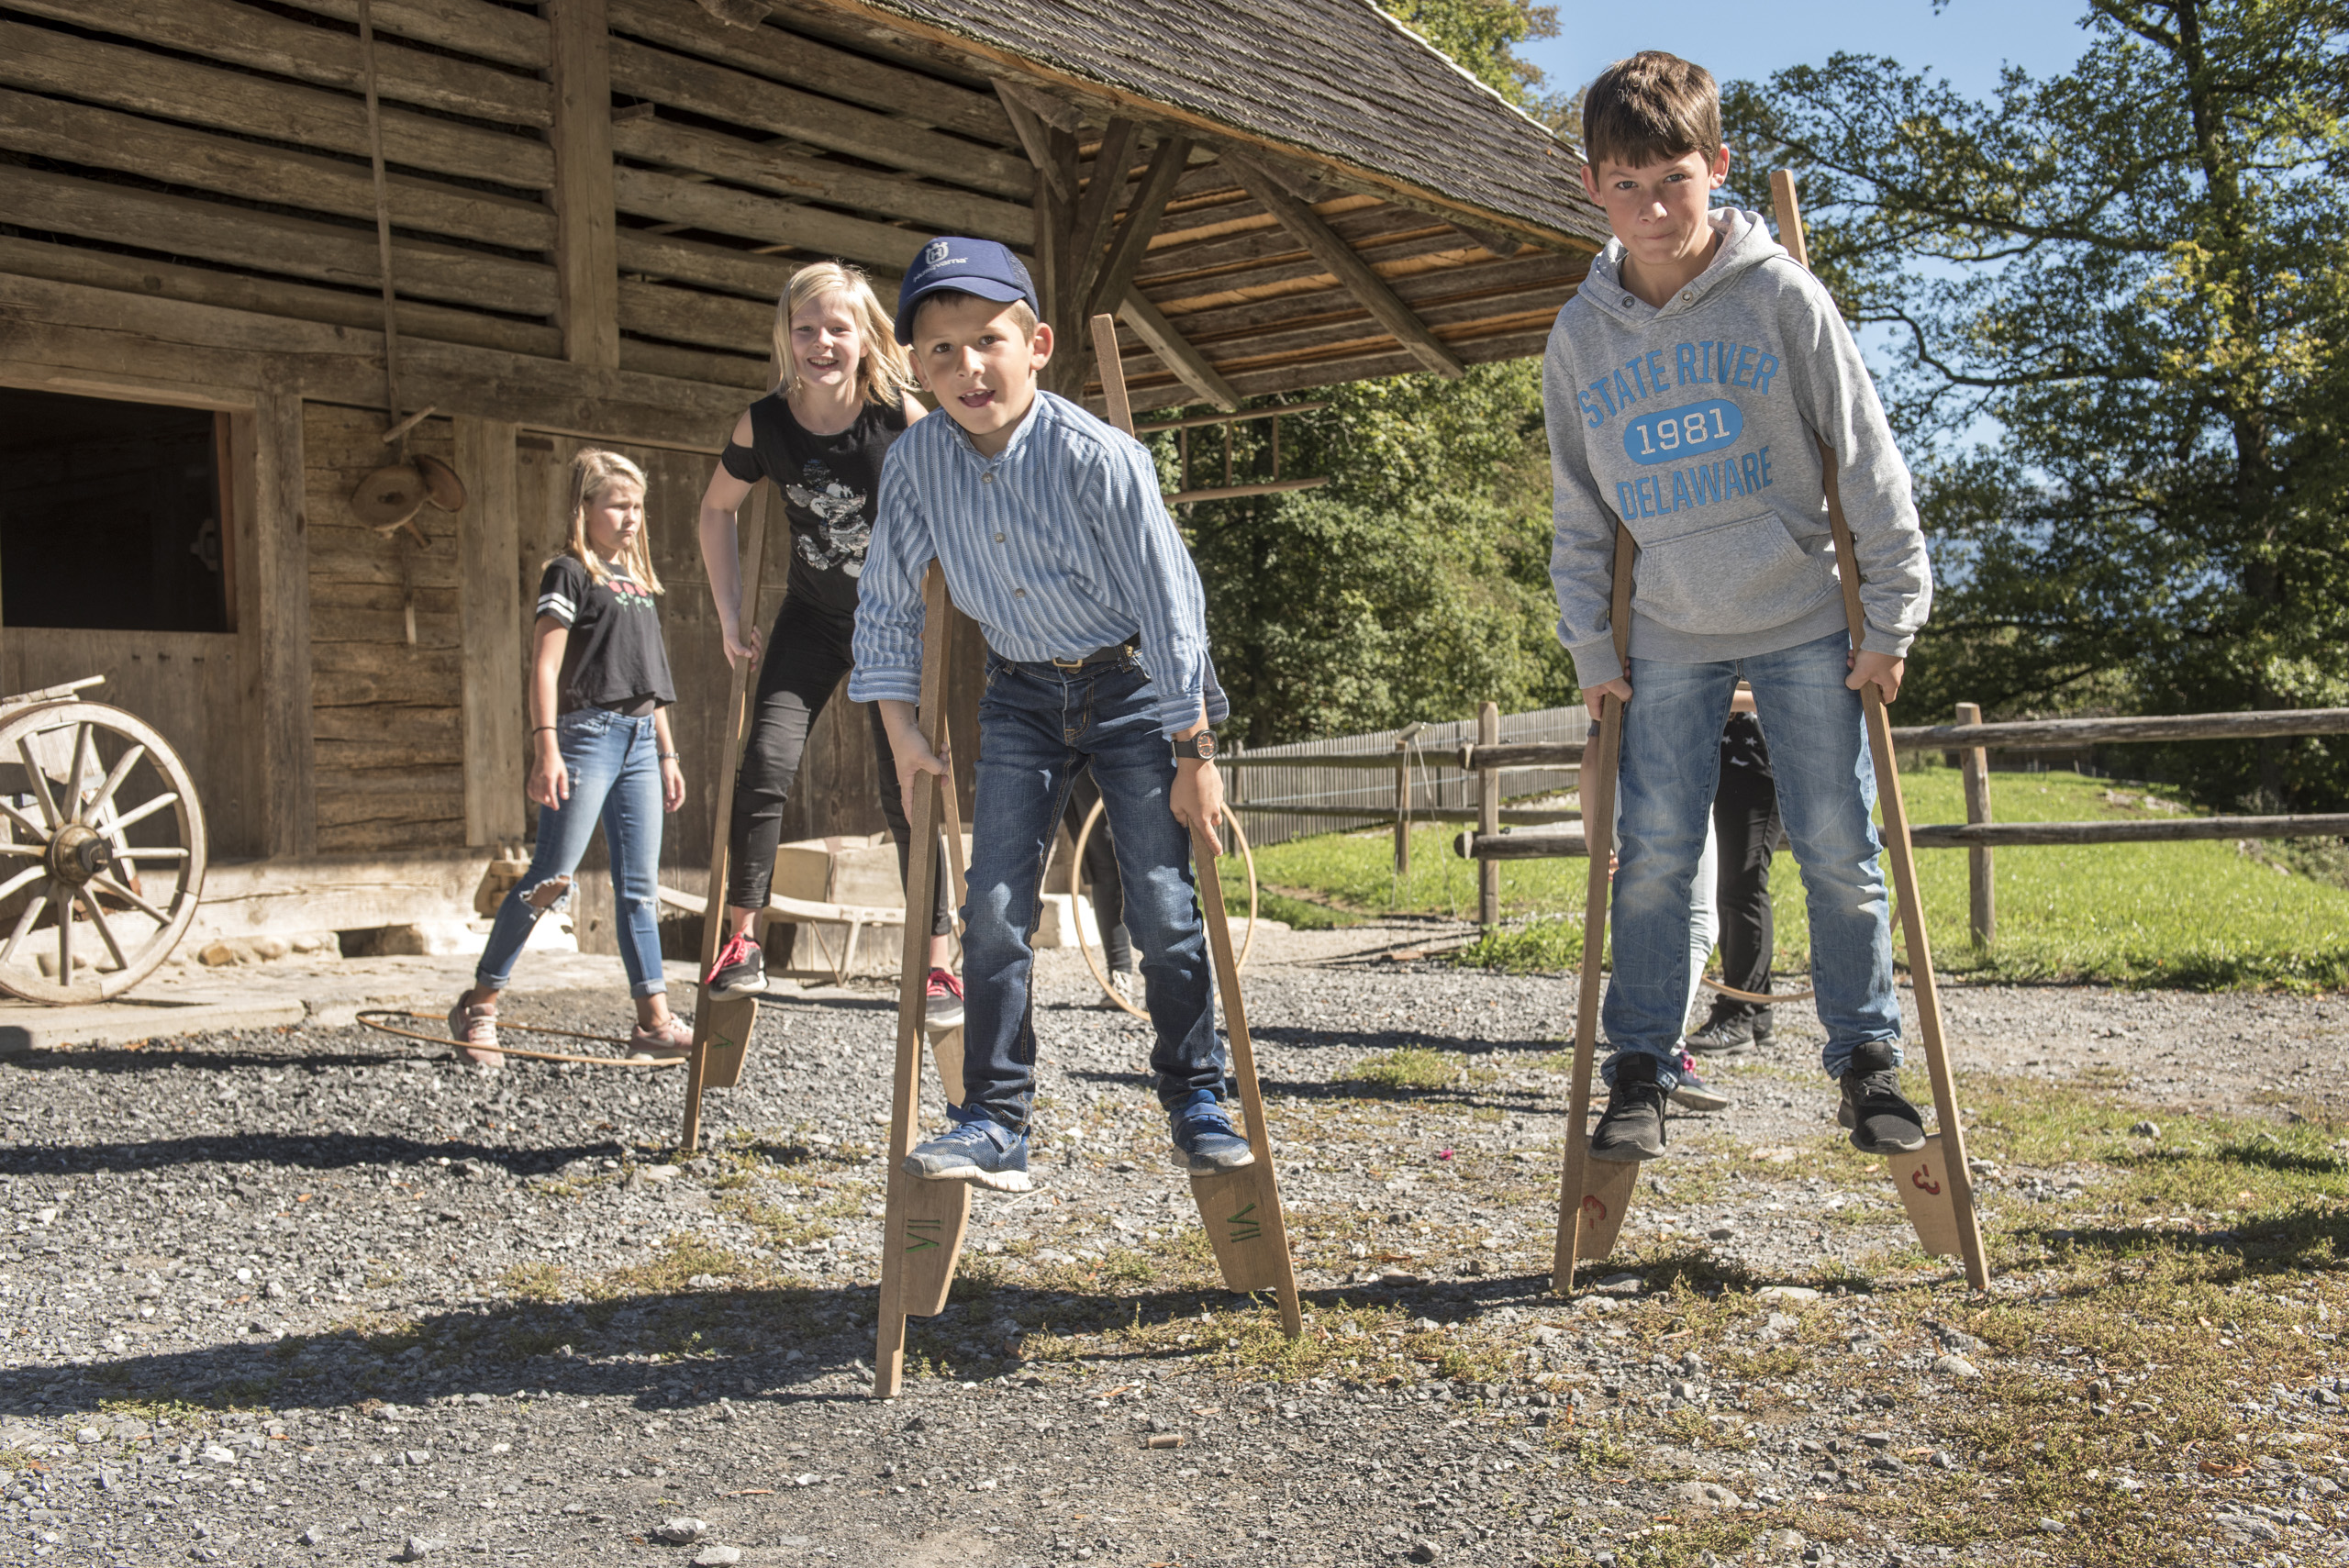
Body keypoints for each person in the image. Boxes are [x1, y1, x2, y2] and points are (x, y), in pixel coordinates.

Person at [1546, 51, 1933, 1162]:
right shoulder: (1579, 337)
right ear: (1592, 187)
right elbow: (1578, 511)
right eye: (1626, 185)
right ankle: (1641, 1065)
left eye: (1673, 179)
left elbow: (1865, 460)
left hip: (1803, 615)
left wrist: (1891, 617)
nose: (1652, 208)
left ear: (1715, 167)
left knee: (1838, 846)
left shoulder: (1780, 298)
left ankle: (1865, 1060)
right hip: (1666, 626)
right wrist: (1590, 644)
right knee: (1653, 854)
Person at [850, 236, 1246, 1191]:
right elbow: (888, 599)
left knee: (1162, 905)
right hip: (1020, 691)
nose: (968, 367)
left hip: (1132, 685)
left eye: (987, 340)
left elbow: (1170, 604)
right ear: (915, 367)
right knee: (991, 911)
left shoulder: (1100, 457)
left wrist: (1195, 748)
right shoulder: (915, 462)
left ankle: (1197, 1096)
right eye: (941, 350)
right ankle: (993, 1117)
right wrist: (901, 731)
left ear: (1037, 345)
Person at [694, 261, 958, 1021]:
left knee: (909, 785)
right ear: (786, 336)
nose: (821, 343)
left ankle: (937, 962)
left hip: (892, 624)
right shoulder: (763, 425)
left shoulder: (901, 418)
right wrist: (729, 612)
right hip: (810, 619)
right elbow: (716, 510)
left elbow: (959, 503)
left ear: (865, 338)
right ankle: (742, 941)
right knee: (764, 761)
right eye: (805, 327)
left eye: (838, 328)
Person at [450, 450, 689, 1069]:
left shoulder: (637, 582)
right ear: (584, 508)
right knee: (550, 879)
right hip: (586, 737)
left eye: (638, 506)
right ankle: (480, 1006)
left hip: (641, 741)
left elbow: (652, 681)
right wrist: (546, 745)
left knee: (638, 889)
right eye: (618, 505)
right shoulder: (568, 573)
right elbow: (545, 665)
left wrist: (667, 752)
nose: (631, 517)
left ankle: (653, 1022)